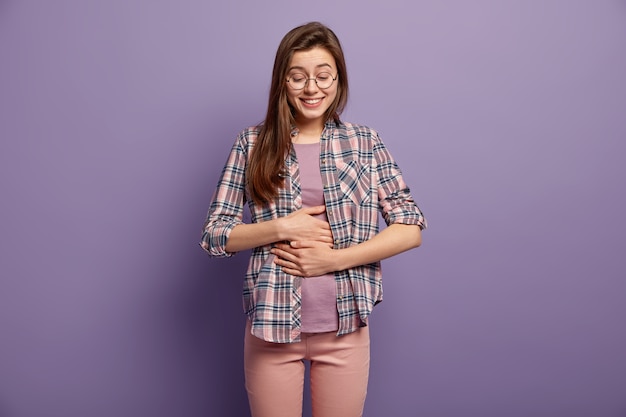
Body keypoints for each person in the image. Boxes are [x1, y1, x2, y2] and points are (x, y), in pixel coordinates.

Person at [200, 21, 426, 417]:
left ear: (338, 79)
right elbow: (214, 236)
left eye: (323, 76)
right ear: (282, 82)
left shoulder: (364, 142)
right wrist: (283, 227)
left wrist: (334, 259)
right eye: (298, 77)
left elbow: (410, 226)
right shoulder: (251, 143)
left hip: (344, 331)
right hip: (271, 328)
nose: (312, 88)